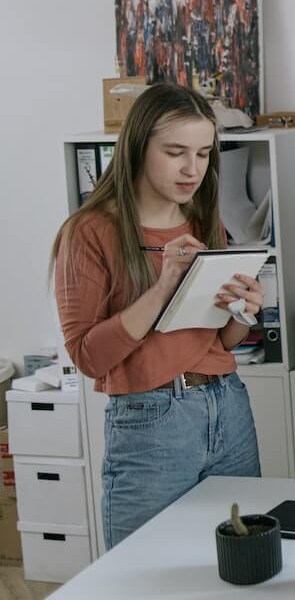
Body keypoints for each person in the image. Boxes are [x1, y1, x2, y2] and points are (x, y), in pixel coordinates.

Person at [52, 83, 265, 548]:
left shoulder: (204, 219)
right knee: (143, 572)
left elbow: (220, 342)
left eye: (205, 154)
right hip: (150, 420)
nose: (193, 169)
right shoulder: (89, 232)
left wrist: (244, 312)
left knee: (243, 562)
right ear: (138, 146)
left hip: (227, 405)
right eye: (175, 152)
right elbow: (88, 356)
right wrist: (164, 285)